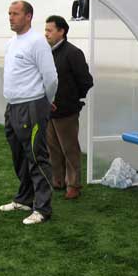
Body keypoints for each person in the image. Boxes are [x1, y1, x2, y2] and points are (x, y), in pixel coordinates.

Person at [0, 1, 58, 225]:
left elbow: (51, 77)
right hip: (13, 106)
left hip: (32, 106)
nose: (11, 17)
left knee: (36, 156)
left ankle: (42, 208)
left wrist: (47, 101)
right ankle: (24, 199)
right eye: (9, 13)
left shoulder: (37, 42)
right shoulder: (12, 43)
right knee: (19, 156)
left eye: (15, 14)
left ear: (28, 16)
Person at [45, 16, 93, 200]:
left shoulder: (73, 53)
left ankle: (73, 185)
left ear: (61, 31)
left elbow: (86, 81)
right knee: (53, 148)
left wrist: (70, 101)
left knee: (69, 148)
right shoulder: (47, 52)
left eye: (50, 30)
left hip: (66, 111)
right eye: (46, 30)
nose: (46, 33)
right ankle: (58, 180)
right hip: (49, 110)